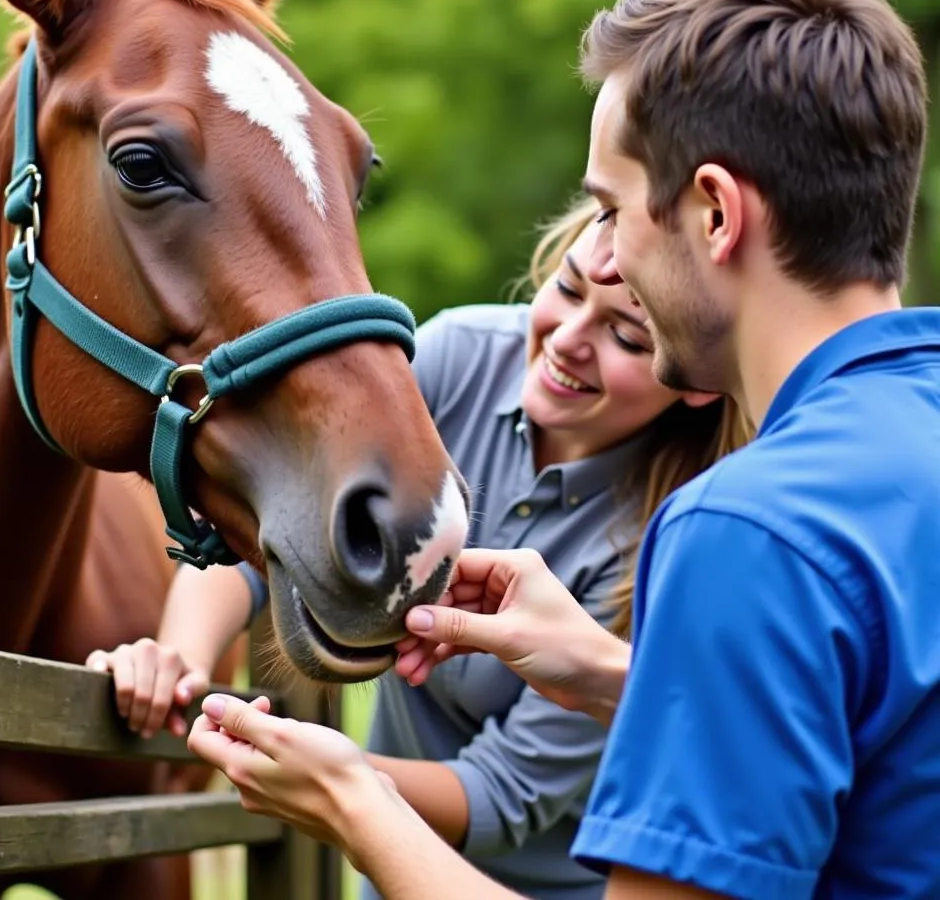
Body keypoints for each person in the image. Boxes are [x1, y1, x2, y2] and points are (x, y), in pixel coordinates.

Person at [187, 0, 940, 900]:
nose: (605, 258)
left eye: (612, 209)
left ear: (714, 214)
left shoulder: (749, 533)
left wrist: (351, 796)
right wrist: (612, 671)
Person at [89, 197, 749, 899]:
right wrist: (181, 659)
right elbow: (271, 523)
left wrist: (329, 774)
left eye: (627, 338)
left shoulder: (676, 546)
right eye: (567, 289)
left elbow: (500, 795)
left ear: (694, 378)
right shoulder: (457, 355)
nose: (567, 339)